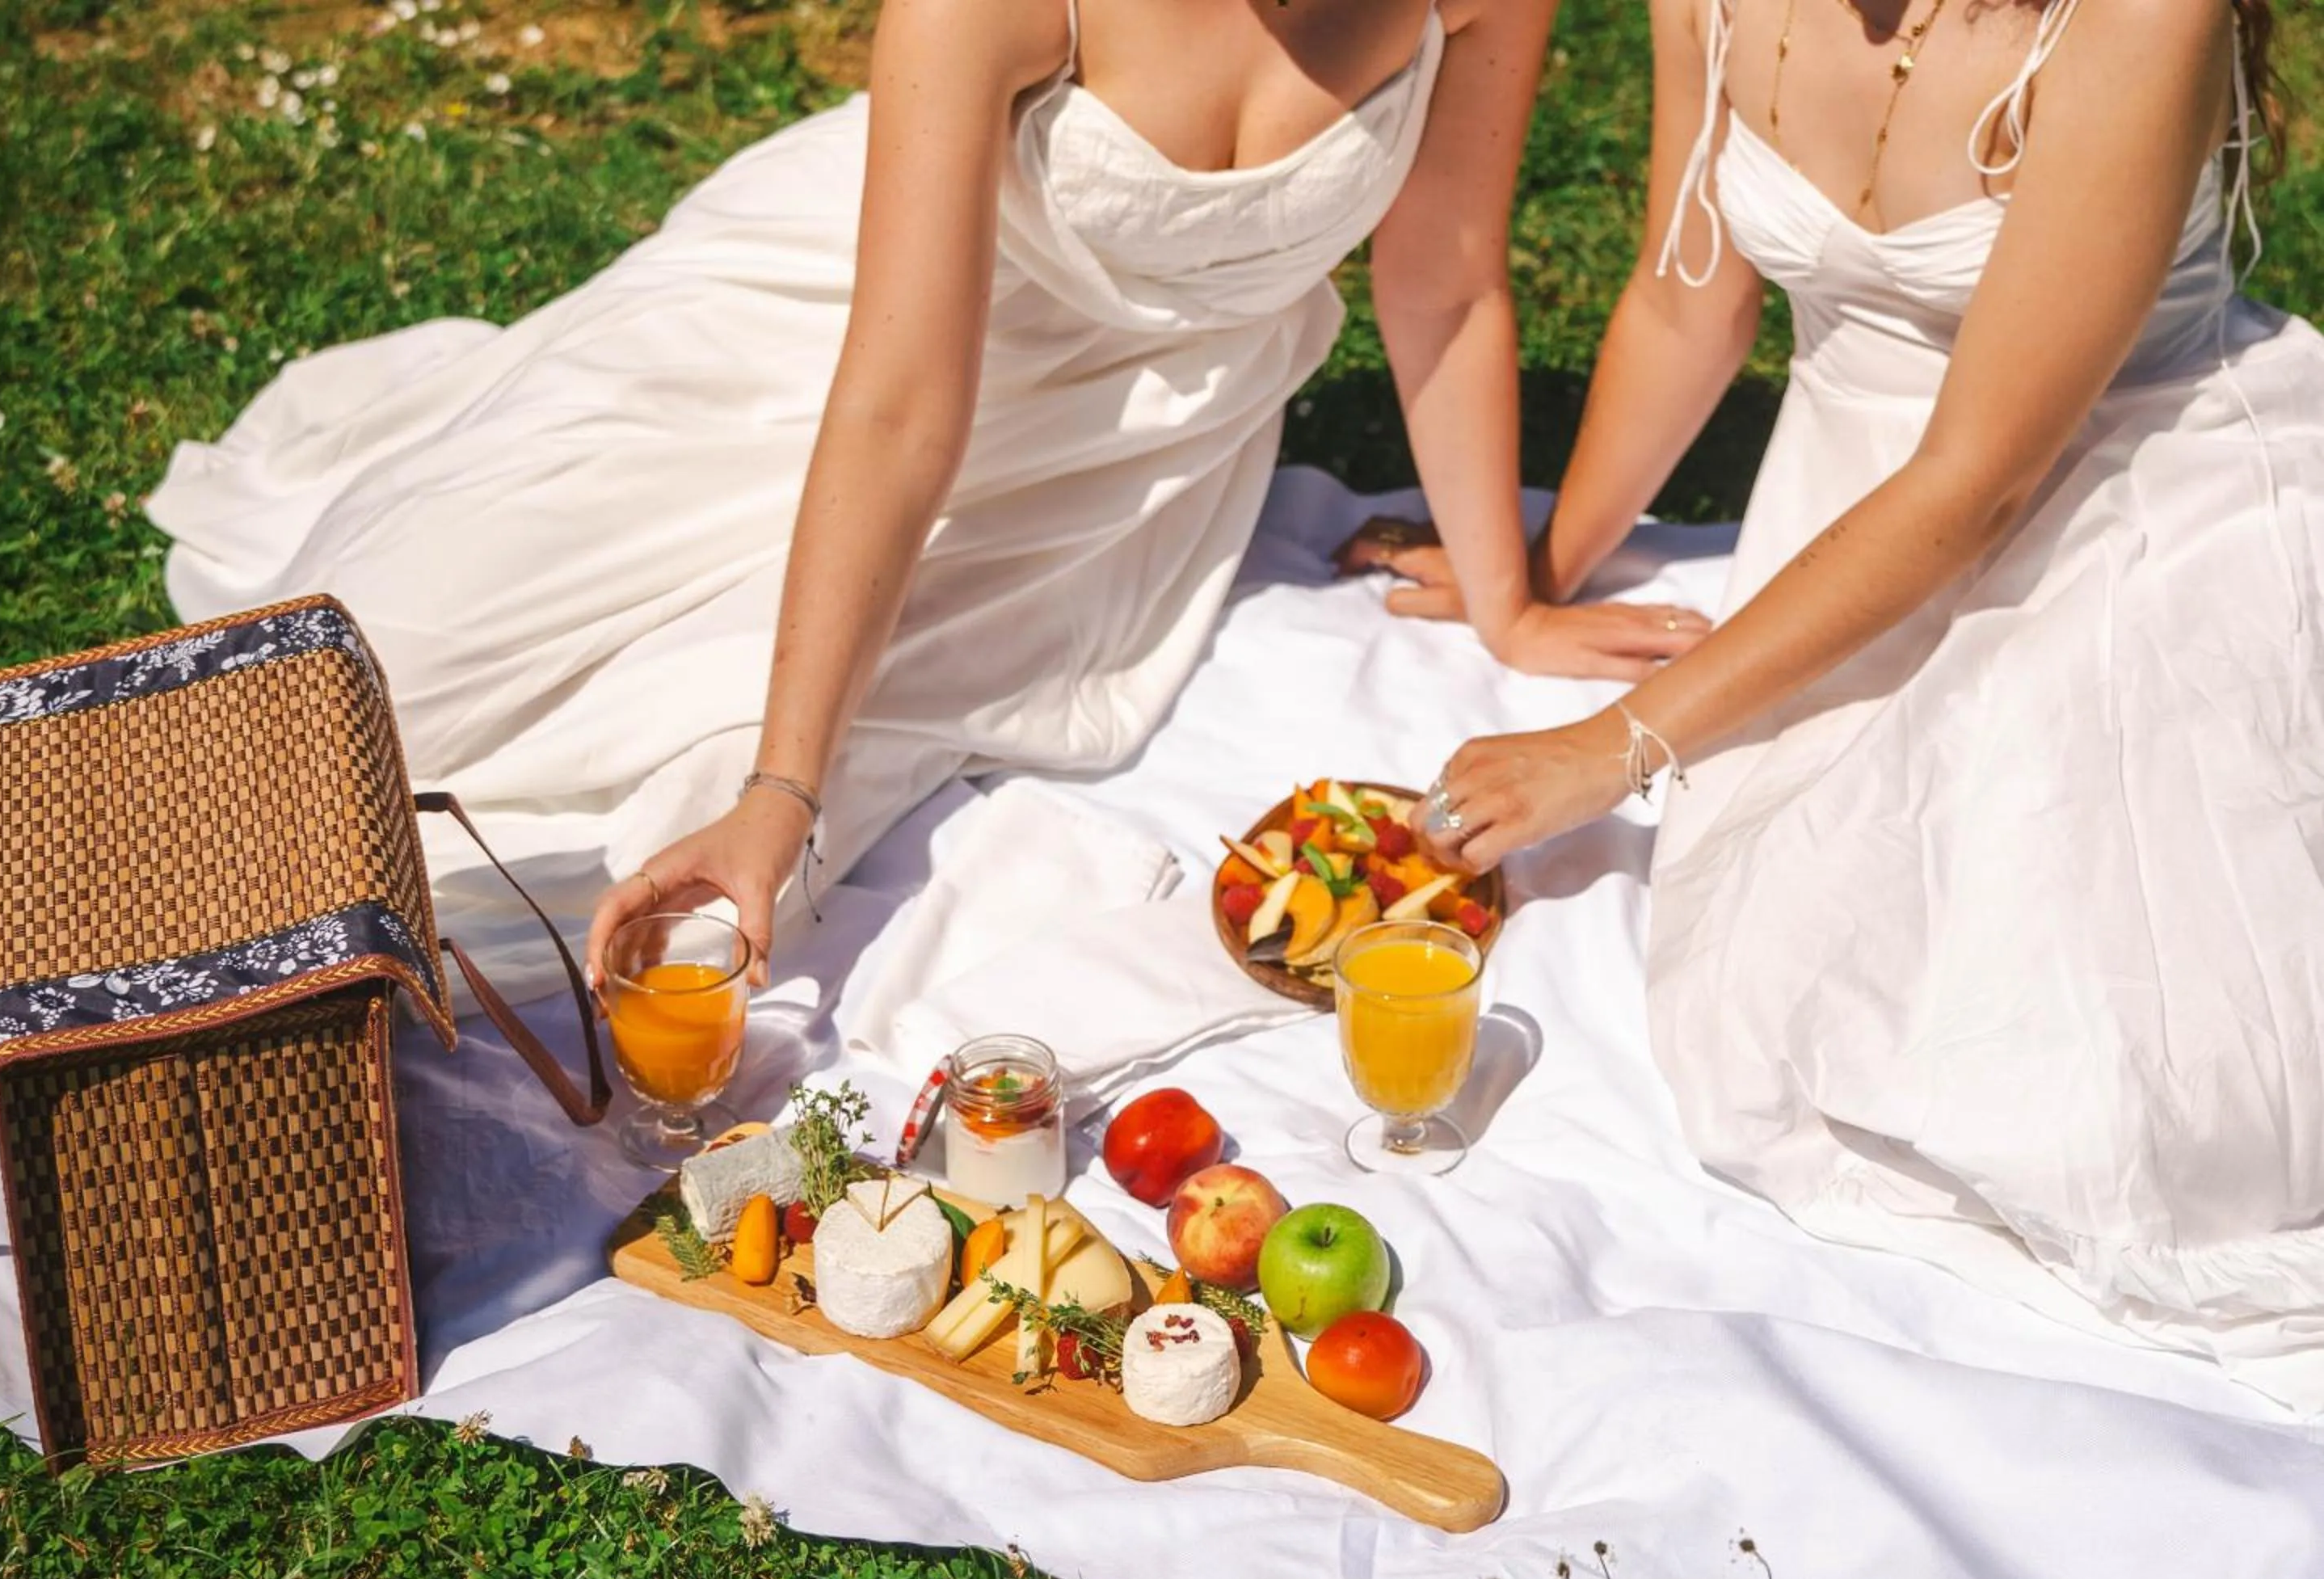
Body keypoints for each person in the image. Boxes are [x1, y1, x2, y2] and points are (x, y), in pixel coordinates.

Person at [149, 0, 1703, 992]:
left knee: (655, 772)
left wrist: (1509, 597)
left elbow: (1442, 279)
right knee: (381, 654)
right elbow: (897, 411)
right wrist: (784, 785)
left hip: (1130, 445)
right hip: (846, 323)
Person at [1411, 0, 2324, 1408]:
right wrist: (1538, 576)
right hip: (1851, 502)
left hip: (2111, 486)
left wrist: (1618, 746)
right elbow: (1685, 297)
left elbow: (1980, 483)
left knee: (2070, 1066)